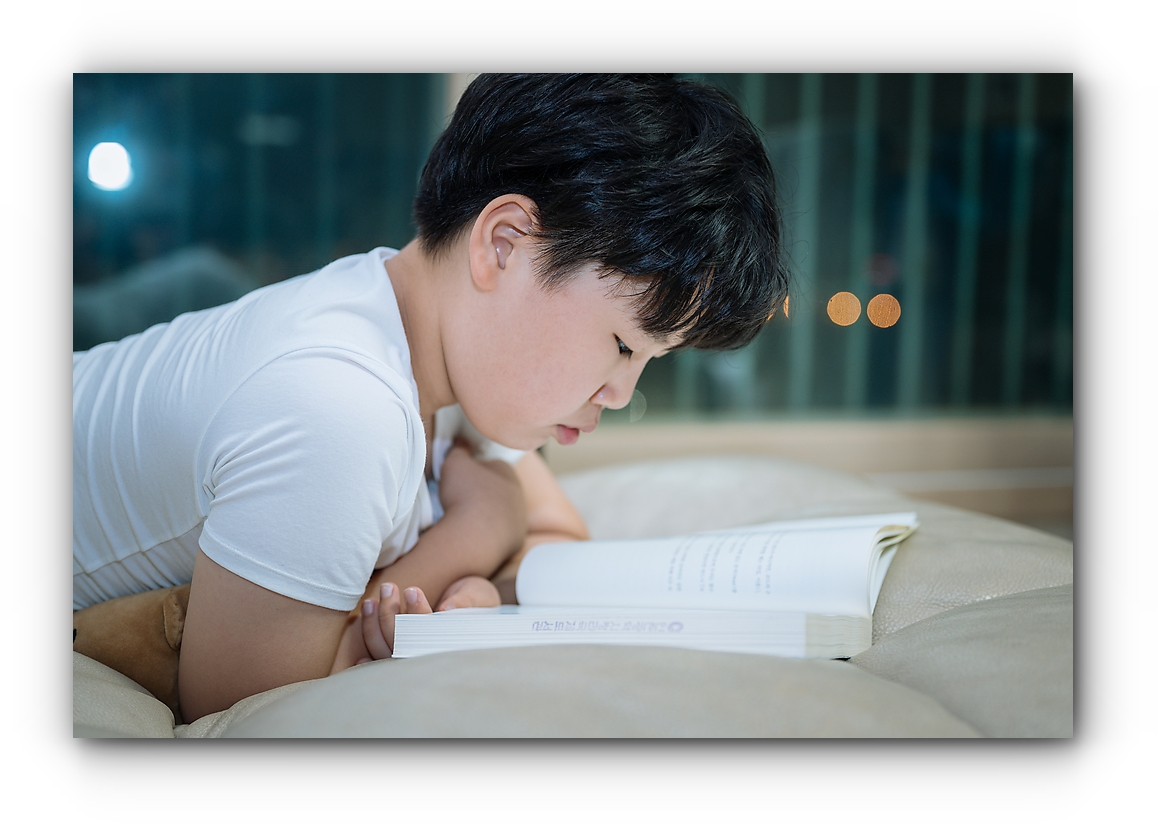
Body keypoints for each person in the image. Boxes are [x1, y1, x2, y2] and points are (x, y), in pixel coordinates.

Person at [72, 74, 788, 723]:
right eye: (624, 345)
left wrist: (480, 584)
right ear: (504, 245)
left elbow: (558, 537)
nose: (622, 393)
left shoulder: (450, 347)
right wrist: (475, 532)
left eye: (651, 361)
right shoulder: (340, 405)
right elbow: (241, 705)